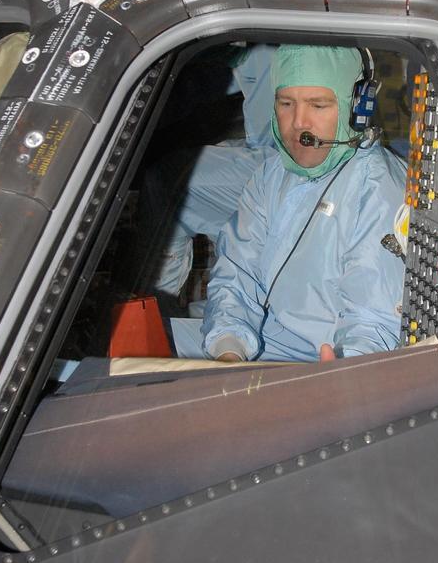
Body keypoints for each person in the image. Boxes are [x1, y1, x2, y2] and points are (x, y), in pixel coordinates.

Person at [170, 44, 407, 363]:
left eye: (318, 105)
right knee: (133, 355)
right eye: (286, 103)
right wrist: (229, 347)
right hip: (269, 337)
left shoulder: (377, 187)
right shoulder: (273, 172)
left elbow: (373, 323)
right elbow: (238, 271)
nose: (298, 123)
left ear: (357, 109)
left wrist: (346, 371)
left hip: (324, 360)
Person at [135, 44, 276, 300]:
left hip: (291, 169)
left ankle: (153, 307)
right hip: (274, 151)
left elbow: (206, 82)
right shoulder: (266, 46)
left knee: (171, 183)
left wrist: (136, 110)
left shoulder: (280, 49)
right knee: (208, 162)